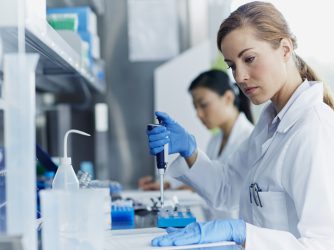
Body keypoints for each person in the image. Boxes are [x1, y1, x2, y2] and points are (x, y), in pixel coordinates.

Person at [147, 1, 334, 249]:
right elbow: (227, 189)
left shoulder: (313, 129)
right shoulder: (269, 126)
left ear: (285, 49)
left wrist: (242, 232)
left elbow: (324, 243)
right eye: (232, 65)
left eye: (249, 58)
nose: (240, 77)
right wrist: (190, 151)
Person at [141, 69, 254, 218]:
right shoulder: (215, 140)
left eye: (203, 104)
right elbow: (212, 183)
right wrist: (169, 185)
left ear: (227, 98)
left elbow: (230, 193)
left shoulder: (249, 138)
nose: (199, 114)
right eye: (196, 107)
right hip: (213, 223)